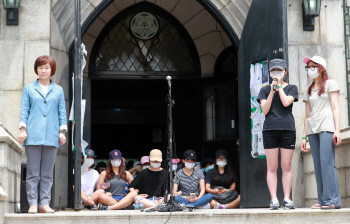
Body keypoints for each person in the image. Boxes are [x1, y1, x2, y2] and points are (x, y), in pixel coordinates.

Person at [18, 55, 67, 214]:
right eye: (40, 67)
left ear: (52, 69)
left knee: (47, 173)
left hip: (52, 136)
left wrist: (62, 131)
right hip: (33, 135)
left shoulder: (58, 90)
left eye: (47, 67)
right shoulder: (29, 88)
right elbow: (24, 110)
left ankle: (44, 203)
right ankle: (33, 203)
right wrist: (22, 130)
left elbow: (62, 112)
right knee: (33, 173)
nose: (44, 70)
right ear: (36, 70)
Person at [301, 56, 342, 209]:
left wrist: (337, 130)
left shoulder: (331, 84)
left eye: (313, 66)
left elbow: (336, 108)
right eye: (308, 66)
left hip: (327, 127)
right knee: (317, 166)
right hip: (313, 130)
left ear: (322, 68)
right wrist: (304, 136)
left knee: (327, 163)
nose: (310, 69)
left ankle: (333, 200)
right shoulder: (308, 90)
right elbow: (306, 115)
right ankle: (323, 199)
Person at [257, 59, 298, 210]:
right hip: (270, 130)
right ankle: (274, 199)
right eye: (273, 70)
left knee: (286, 166)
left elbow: (286, 102)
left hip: (287, 129)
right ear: (269, 73)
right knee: (272, 166)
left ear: (285, 71)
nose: (276, 73)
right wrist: (272, 91)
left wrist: (279, 87)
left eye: (279, 70)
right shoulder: (265, 90)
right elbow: (265, 110)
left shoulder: (292, 88)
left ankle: (287, 198)